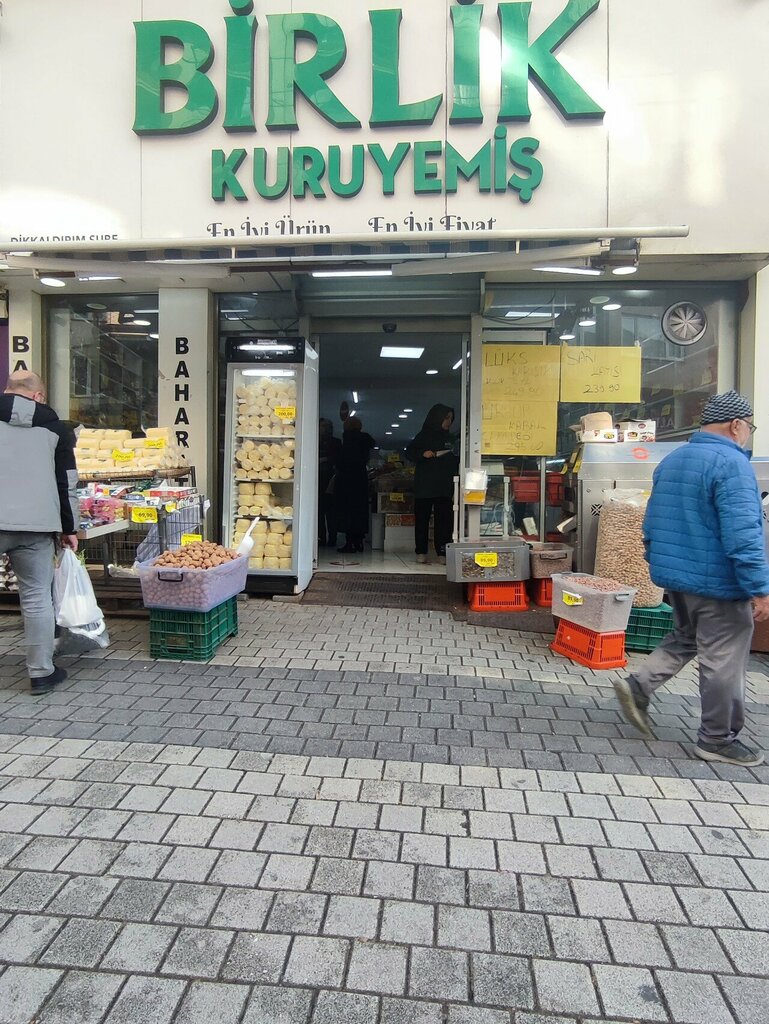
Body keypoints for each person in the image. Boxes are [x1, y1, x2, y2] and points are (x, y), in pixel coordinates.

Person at [613, 390, 769, 767]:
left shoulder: (674, 460)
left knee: (685, 637)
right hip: (718, 582)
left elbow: (651, 521)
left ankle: (638, 686)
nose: (748, 433)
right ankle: (716, 739)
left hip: (677, 578)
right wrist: (759, 589)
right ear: (736, 425)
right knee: (724, 659)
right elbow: (743, 534)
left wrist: (658, 564)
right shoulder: (732, 465)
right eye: (750, 426)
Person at [0, 371, 79, 694]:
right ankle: (41, 672)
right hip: (37, 524)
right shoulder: (56, 429)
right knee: (36, 599)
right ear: (38, 396)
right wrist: (69, 527)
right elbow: (67, 482)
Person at [406, 404, 459, 565]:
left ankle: (442, 551)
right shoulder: (423, 436)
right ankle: (421, 551)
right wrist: (423, 454)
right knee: (422, 520)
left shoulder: (451, 439)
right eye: (446, 417)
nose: (449, 421)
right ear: (437, 418)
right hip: (425, 486)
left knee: (444, 521)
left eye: (451, 418)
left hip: (444, 486)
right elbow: (409, 452)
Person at [336, 416, 375, 553]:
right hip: (361, 479)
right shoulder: (365, 441)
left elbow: (342, 461)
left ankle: (350, 542)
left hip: (347, 481)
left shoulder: (347, 440)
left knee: (348, 512)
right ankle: (359, 541)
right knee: (360, 511)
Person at [318, 418, 341, 547]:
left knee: (331, 513)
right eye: (323, 426)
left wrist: (324, 459)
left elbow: (338, 459)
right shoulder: (313, 440)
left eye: (327, 426)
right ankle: (320, 538)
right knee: (319, 512)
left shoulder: (336, 442)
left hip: (331, 481)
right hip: (317, 481)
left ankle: (332, 538)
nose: (325, 429)